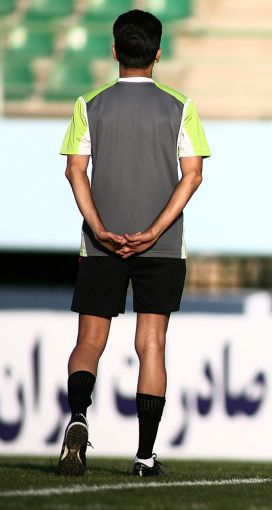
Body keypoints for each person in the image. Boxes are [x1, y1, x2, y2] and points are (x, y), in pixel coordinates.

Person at [57, 9, 210, 477]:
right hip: (160, 246)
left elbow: (75, 171)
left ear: (114, 51)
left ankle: (78, 416)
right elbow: (193, 175)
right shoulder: (181, 106)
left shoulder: (89, 104)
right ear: (158, 53)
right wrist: (155, 231)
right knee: (152, 344)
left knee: (89, 340)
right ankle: (144, 457)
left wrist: (99, 228)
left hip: (101, 243)